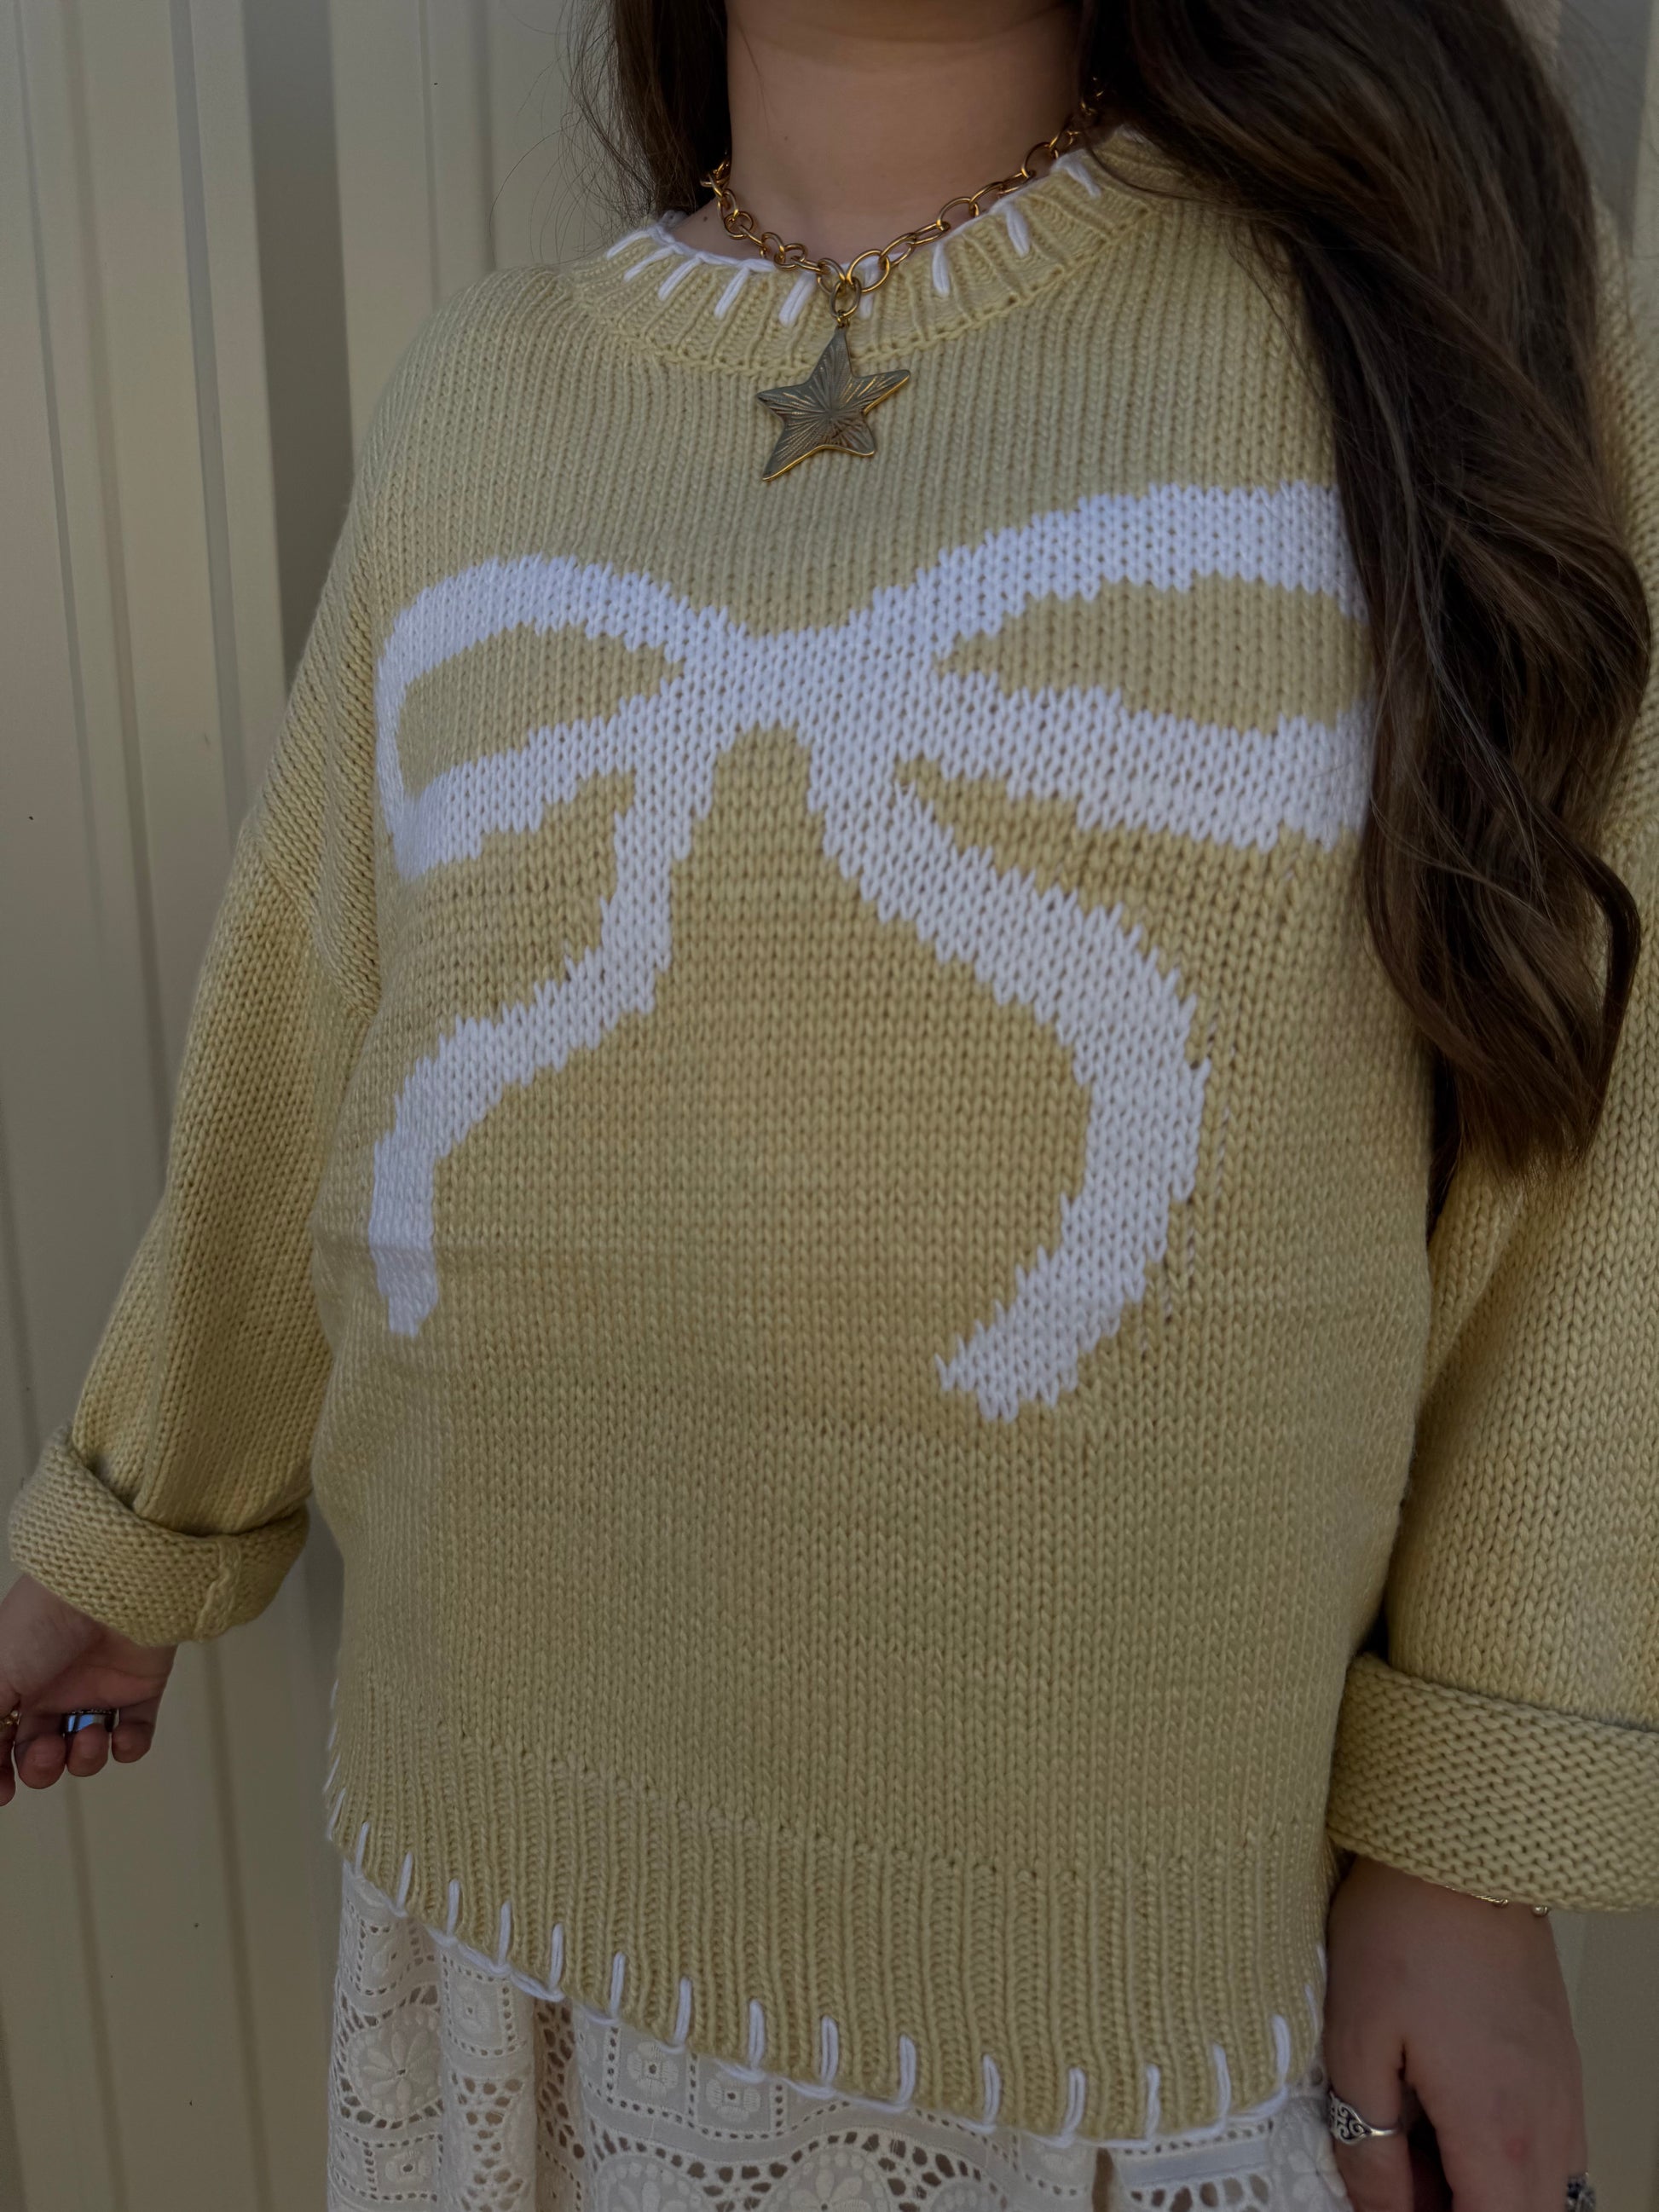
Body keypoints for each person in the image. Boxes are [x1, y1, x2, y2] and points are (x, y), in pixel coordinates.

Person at [3, 0, 1654, 2204]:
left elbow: (1604, 1139)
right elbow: (314, 1022)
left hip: (1108, 1956)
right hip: (500, 1863)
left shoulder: (1433, 315)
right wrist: (132, 1529)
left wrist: (1463, 1838)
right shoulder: (483, 391)